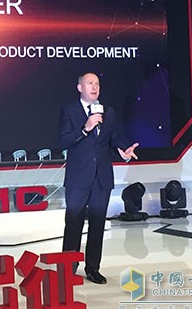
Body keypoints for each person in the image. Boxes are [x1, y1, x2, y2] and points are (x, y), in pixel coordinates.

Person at [58, 72, 138, 284]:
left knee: (97, 224)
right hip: (78, 178)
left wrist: (123, 151)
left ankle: (93, 268)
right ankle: (68, 268)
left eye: (97, 84)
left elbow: (114, 139)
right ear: (80, 88)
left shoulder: (108, 112)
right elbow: (63, 141)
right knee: (73, 223)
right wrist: (86, 129)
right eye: (90, 83)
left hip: (101, 178)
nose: (94, 87)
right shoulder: (70, 111)